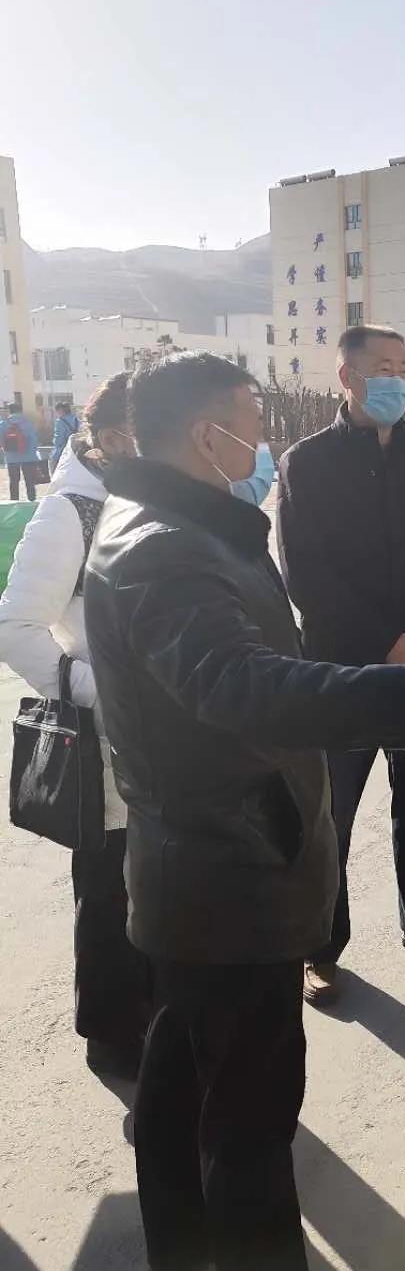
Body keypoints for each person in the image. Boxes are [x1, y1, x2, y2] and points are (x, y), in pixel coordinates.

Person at [83, 350, 405, 1271]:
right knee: (250, 1122)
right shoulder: (165, 552)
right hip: (227, 873)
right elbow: (241, 685)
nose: (262, 438)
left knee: (183, 1057)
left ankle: (179, 1239)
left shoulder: (178, 528)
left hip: (204, 868)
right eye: (249, 418)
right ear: (206, 435)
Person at [277, 325, 405, 1007]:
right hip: (340, 673)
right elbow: (306, 577)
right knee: (327, 815)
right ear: (347, 377)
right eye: (381, 367)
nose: (396, 379)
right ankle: (317, 947)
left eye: (403, 366)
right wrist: (386, 643)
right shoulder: (306, 464)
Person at [0, 373, 150, 1080]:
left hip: (174, 739)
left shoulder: (156, 499)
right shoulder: (71, 513)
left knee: (164, 887)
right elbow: (15, 626)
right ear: (116, 437)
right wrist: (99, 694)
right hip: (110, 739)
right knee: (109, 888)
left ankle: (159, 1020)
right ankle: (114, 1036)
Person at [3, 402, 40, 501]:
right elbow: (34, 440)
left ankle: (14, 502)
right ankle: (32, 501)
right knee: (30, 482)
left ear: (9, 411)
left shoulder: (4, 423)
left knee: (14, 482)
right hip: (28, 457)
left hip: (11, 458)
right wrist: (34, 454)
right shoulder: (28, 423)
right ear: (21, 410)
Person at [50, 402, 80, 472]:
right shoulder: (76, 420)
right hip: (75, 451)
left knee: (53, 466)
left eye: (56, 412)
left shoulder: (60, 421)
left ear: (60, 410)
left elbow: (58, 440)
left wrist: (54, 442)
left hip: (62, 452)